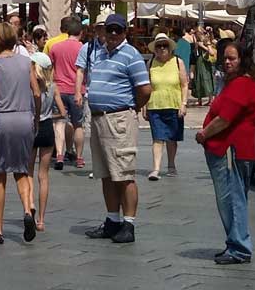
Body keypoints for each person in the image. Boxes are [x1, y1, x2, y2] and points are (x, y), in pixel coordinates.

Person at [75, 13, 151, 244]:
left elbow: (145, 90)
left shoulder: (131, 55)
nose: (114, 34)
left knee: (124, 174)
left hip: (118, 119)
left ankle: (129, 223)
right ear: (104, 31)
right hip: (98, 118)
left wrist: (131, 107)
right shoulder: (97, 52)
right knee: (105, 173)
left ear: (125, 32)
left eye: (118, 30)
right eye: (110, 30)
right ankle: (112, 220)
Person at [196, 40, 255, 265]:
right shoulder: (234, 83)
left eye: (232, 58)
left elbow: (224, 119)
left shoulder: (242, 84)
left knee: (232, 199)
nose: (227, 62)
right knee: (230, 199)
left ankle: (240, 247)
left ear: (242, 60)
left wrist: (204, 133)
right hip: (228, 150)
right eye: (225, 58)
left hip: (231, 150)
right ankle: (234, 242)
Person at [0, 21, 39, 244]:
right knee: (22, 170)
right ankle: (26, 210)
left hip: (2, 119)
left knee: (0, 173)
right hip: (24, 117)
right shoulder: (27, 62)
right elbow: (36, 92)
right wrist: (35, 118)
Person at [146, 32, 190, 180]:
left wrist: (183, 104)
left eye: (165, 46)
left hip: (174, 104)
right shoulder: (151, 63)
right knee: (157, 138)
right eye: (159, 46)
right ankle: (156, 169)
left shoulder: (178, 62)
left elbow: (184, 85)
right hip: (155, 105)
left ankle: (171, 165)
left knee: (172, 138)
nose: (162, 49)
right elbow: (147, 86)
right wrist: (144, 106)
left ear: (170, 47)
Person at [48, 17, 88, 170]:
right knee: (78, 124)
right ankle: (78, 157)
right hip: (77, 90)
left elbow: (50, 69)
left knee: (59, 122)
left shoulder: (55, 47)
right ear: (81, 32)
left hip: (59, 89)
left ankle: (59, 155)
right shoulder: (83, 48)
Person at [30, 52, 62, 233]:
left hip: (33, 127)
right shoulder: (53, 87)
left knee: (27, 172)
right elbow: (63, 112)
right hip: (47, 126)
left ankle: (30, 206)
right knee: (44, 176)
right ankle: (41, 219)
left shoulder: (31, 86)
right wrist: (51, 115)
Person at [190, 22, 217, 105]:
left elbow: (211, 52)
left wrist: (203, 46)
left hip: (206, 63)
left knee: (208, 80)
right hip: (198, 63)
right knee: (198, 80)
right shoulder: (194, 43)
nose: (197, 35)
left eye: (199, 33)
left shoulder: (206, 41)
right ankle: (199, 99)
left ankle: (210, 99)